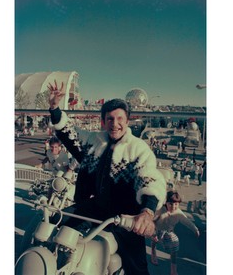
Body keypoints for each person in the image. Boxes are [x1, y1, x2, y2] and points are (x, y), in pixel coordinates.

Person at [47, 81, 166, 275]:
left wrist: (147, 212)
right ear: (103, 121)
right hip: (96, 206)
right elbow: (69, 133)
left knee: (136, 266)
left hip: (126, 217)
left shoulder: (138, 149)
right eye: (110, 119)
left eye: (120, 118)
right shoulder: (94, 141)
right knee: (55, 220)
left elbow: (149, 179)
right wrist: (54, 107)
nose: (115, 123)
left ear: (127, 121)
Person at [150, 191, 200, 275]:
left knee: (174, 246)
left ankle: (173, 270)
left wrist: (195, 229)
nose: (173, 207)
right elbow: (152, 222)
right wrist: (153, 233)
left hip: (169, 232)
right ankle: (153, 252)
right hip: (156, 230)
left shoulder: (178, 212)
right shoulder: (160, 210)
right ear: (166, 202)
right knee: (154, 241)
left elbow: (186, 221)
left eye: (176, 204)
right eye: (171, 204)